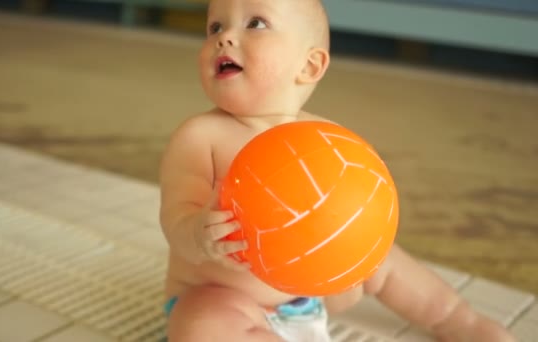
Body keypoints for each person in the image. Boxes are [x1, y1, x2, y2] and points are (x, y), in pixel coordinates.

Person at [158, 0, 515, 341]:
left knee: (383, 255)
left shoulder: (328, 141)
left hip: (305, 293)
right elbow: (175, 221)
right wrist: (199, 234)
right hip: (221, 295)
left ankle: (456, 319)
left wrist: (348, 264)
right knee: (203, 322)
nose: (225, 37)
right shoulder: (200, 137)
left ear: (310, 66)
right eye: (215, 27)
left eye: (255, 23)